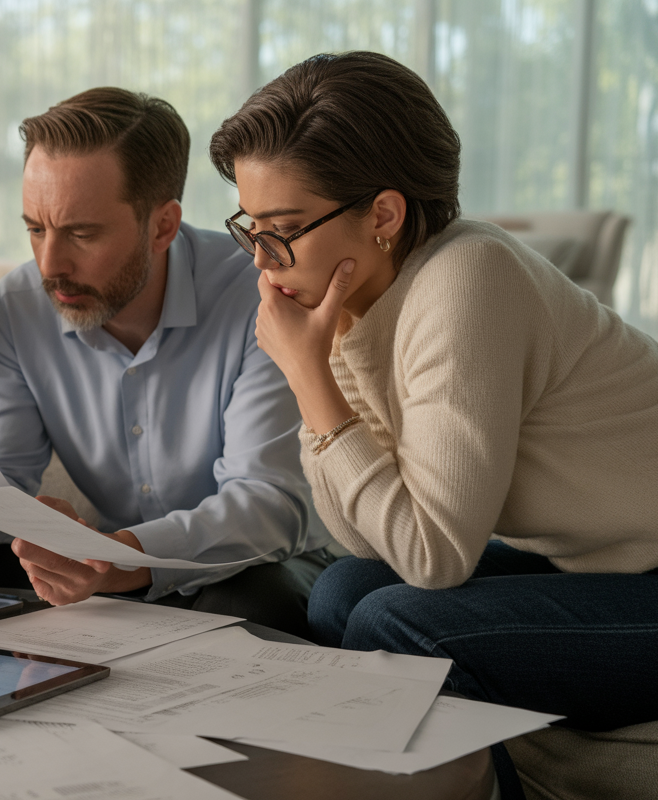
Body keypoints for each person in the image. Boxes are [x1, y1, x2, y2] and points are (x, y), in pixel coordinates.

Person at [208, 50, 658, 795]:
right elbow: (362, 537)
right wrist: (328, 356)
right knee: (342, 590)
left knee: (399, 621)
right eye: (250, 227)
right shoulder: (367, 300)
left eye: (282, 228)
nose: (262, 260)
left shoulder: (469, 277)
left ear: (383, 215)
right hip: (605, 563)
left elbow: (432, 558)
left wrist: (309, 375)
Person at [0, 87, 336, 637]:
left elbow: (268, 503)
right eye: (35, 228)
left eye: (81, 233)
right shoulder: (19, 304)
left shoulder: (258, 293)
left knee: (250, 600)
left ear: (162, 226)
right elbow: (0, 469)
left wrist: (118, 557)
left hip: (267, 561)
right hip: (109, 561)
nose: (50, 264)